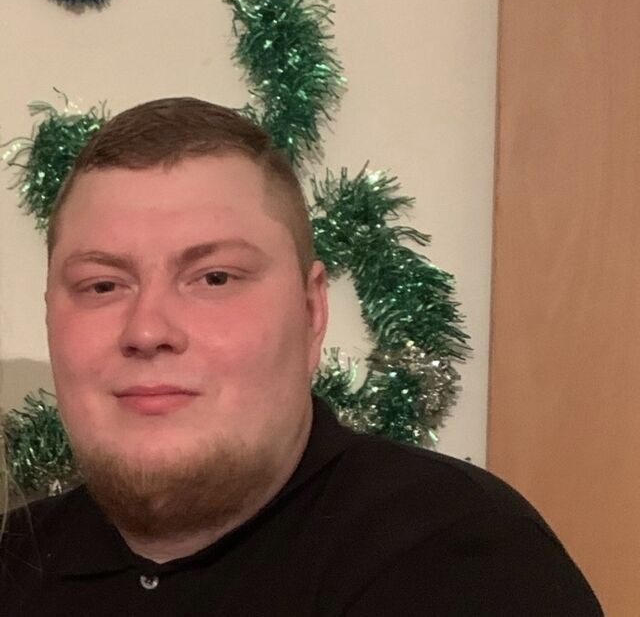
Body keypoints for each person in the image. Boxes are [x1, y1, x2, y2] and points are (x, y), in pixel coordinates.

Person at [1, 97, 602, 616]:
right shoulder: (13, 563)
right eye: (102, 285)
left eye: (215, 278)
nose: (147, 330)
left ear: (312, 311)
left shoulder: (460, 562)